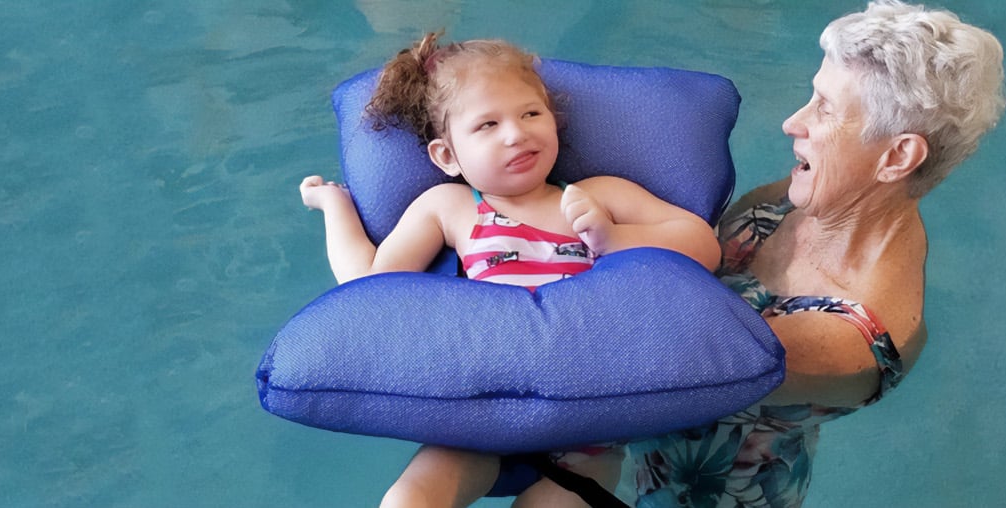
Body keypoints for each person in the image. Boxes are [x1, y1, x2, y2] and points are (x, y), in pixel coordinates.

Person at [299, 33, 720, 508]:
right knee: (408, 501)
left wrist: (615, 238)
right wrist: (335, 205)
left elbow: (703, 244)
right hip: (483, 419)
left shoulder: (597, 195)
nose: (516, 134)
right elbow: (370, 287)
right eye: (487, 125)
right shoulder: (453, 208)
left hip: (590, 427)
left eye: (531, 113)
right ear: (447, 157)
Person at [629, 1, 1006, 506]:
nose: (792, 122)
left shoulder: (850, 342)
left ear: (897, 157)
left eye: (825, 109)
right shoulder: (820, 194)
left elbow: (647, 361)